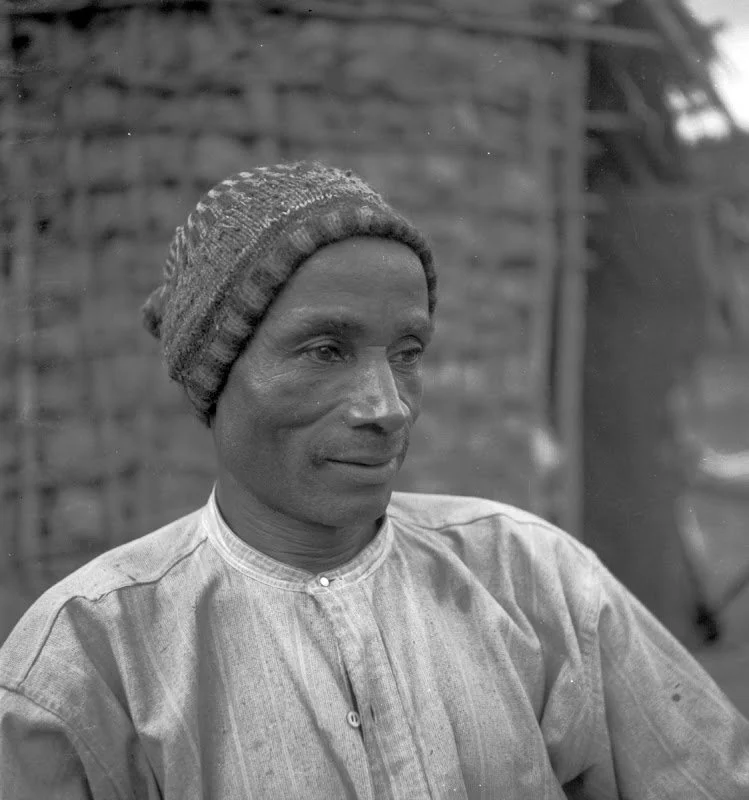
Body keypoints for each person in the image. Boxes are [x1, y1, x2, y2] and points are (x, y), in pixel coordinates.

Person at [0, 162, 747, 799]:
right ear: (215, 373)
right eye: (325, 350)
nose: (386, 407)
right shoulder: (90, 656)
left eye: (408, 351)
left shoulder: (531, 578)